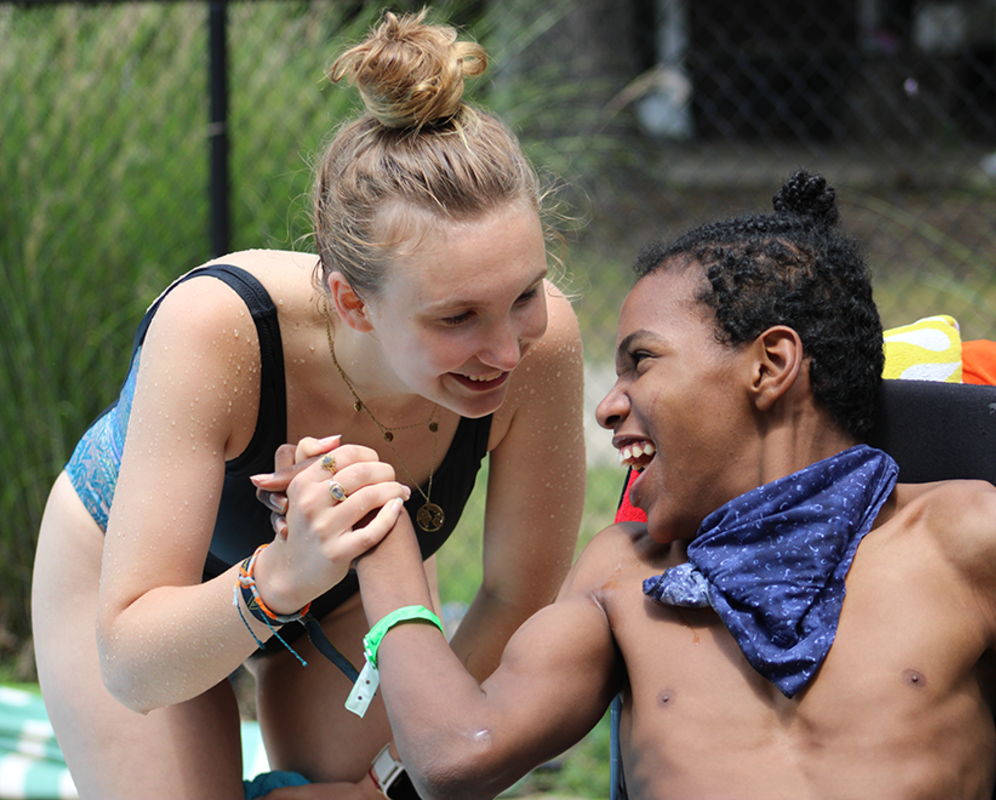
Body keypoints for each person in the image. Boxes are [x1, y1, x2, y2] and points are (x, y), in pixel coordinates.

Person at [29, 11, 585, 800]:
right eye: (458, 318)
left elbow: (515, 600)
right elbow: (132, 667)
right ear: (350, 302)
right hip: (135, 597)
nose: (505, 349)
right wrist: (284, 574)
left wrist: (389, 782)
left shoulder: (543, 345)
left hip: (349, 594)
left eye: (524, 293)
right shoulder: (216, 328)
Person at [335, 169, 996, 800]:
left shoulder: (969, 541)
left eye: (641, 361)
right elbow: (459, 756)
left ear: (771, 365)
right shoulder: (623, 574)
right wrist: (382, 537)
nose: (609, 406)